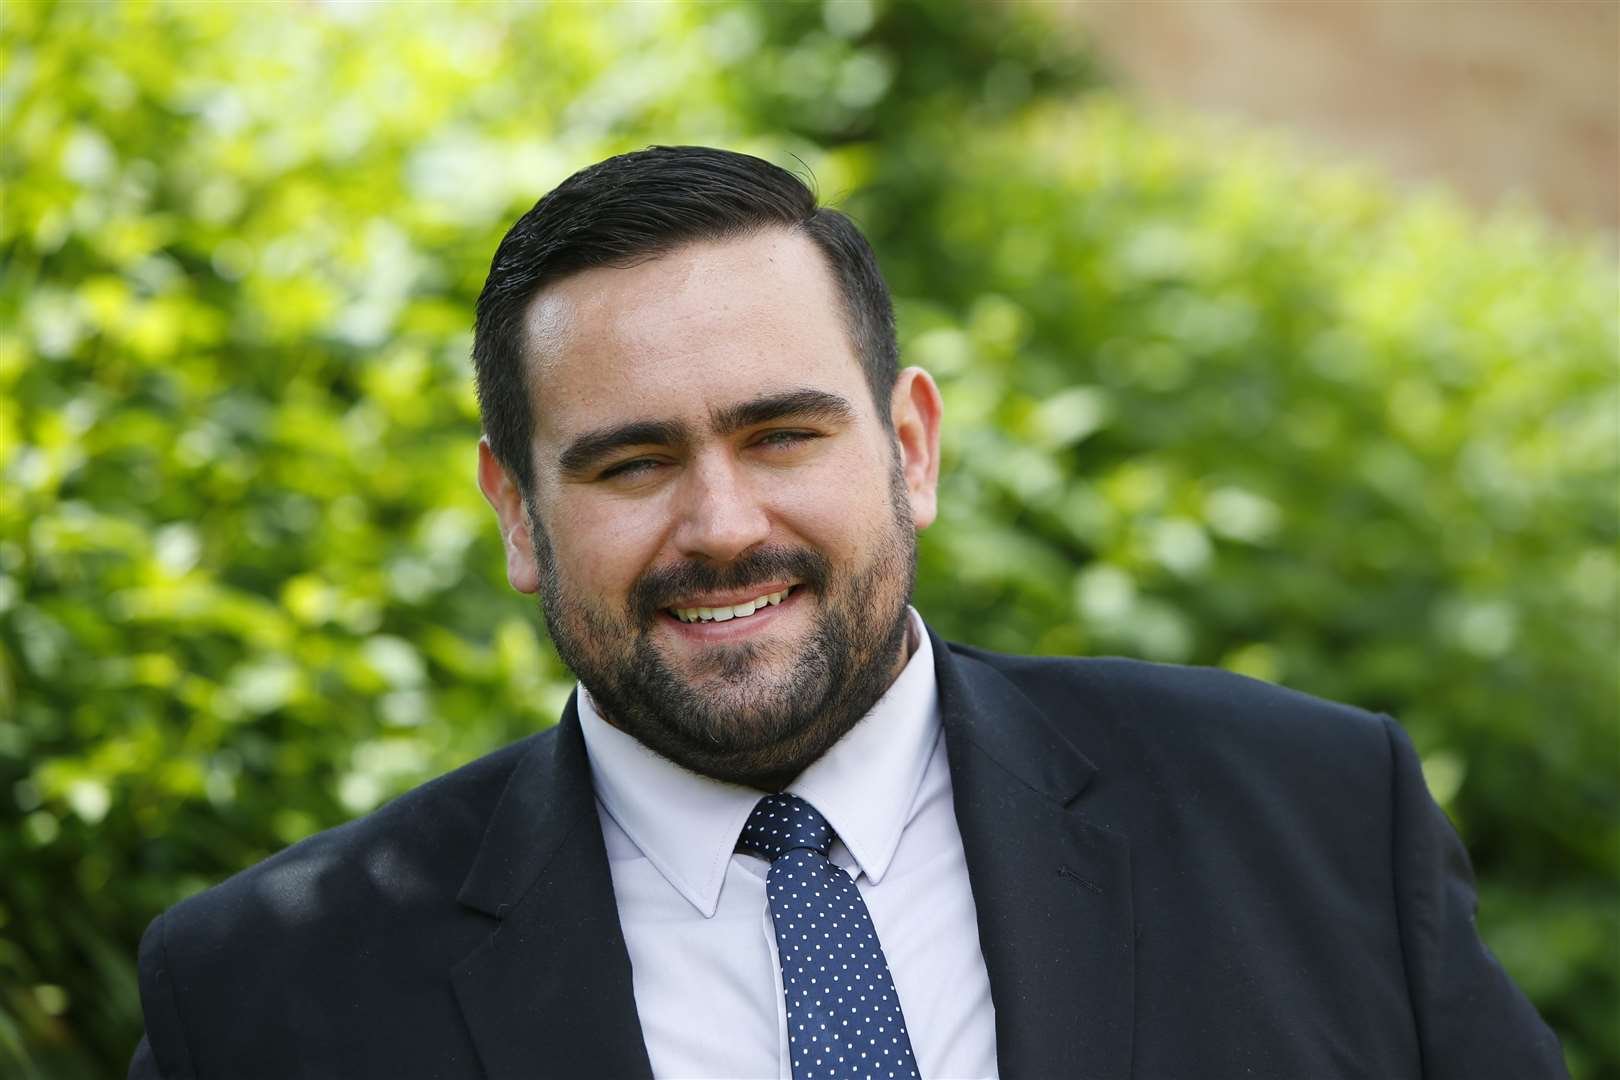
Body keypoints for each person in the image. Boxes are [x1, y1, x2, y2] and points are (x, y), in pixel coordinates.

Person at [128, 146, 1567, 1080]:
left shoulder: (1313, 817)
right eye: (631, 462)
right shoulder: (265, 998)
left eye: (782, 436)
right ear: (516, 513)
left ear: (912, 449)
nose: (723, 526)